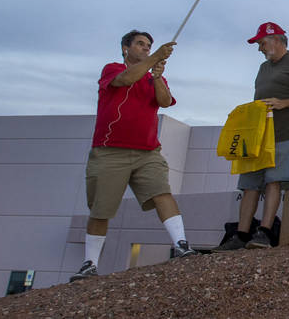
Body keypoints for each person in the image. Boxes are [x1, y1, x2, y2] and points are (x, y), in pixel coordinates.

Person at [71, 30, 197, 282]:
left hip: (147, 150)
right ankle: (90, 264)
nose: (145, 49)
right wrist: (154, 60)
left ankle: (182, 246)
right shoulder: (112, 68)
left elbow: (164, 100)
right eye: (140, 44)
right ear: (125, 48)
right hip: (110, 152)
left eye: (148, 46)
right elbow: (125, 80)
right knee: (101, 209)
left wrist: (158, 77)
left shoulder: (152, 76)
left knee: (162, 193)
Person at [216, 22, 289, 251]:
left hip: (285, 132)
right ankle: (241, 234)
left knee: (274, 180)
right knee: (250, 183)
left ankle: (265, 231)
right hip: (257, 134)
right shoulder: (263, 68)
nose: (260, 48)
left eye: (262, 43)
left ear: (277, 40)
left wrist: (283, 103)